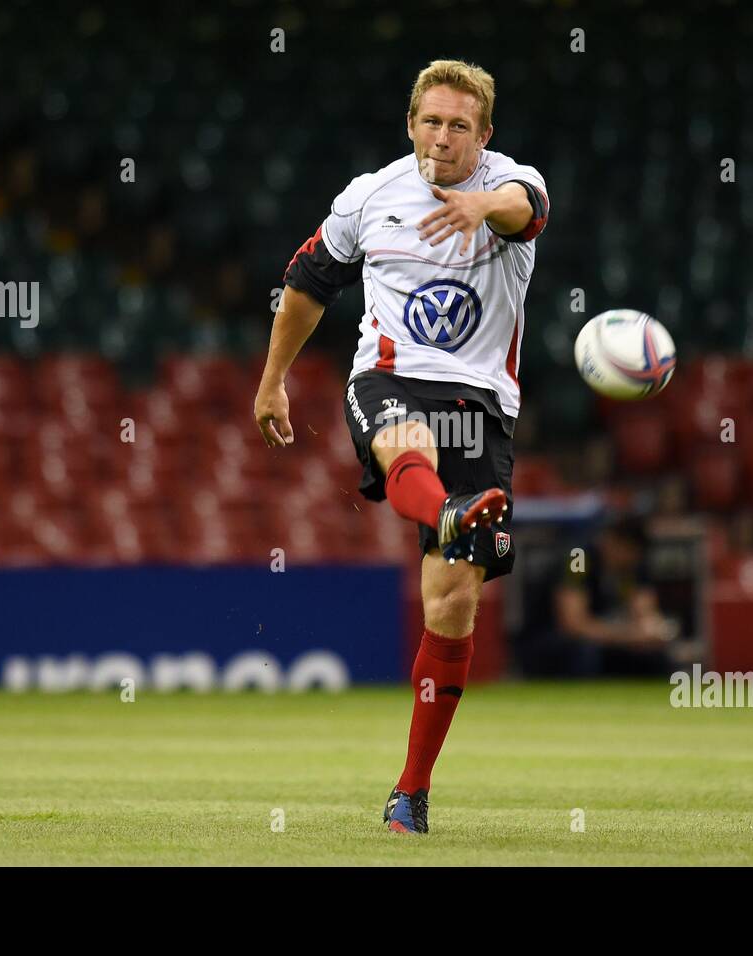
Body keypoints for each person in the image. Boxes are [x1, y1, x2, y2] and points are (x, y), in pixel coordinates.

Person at [253, 60, 549, 834]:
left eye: (459, 126)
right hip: (387, 377)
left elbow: (525, 207)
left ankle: (410, 791)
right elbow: (307, 282)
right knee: (405, 442)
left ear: (484, 135)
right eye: (431, 121)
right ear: (410, 124)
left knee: (450, 607)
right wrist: (273, 380)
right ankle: (450, 513)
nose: (442, 137)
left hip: (481, 403)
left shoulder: (512, 183)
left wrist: (482, 204)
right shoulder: (369, 196)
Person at [517, 515, 675, 677]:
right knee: (585, 651)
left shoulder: (633, 567)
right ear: (609, 540)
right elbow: (573, 624)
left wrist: (652, 631)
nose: (629, 557)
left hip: (606, 638)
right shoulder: (578, 558)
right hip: (550, 641)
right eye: (625, 548)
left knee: (655, 655)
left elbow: (645, 613)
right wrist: (628, 636)